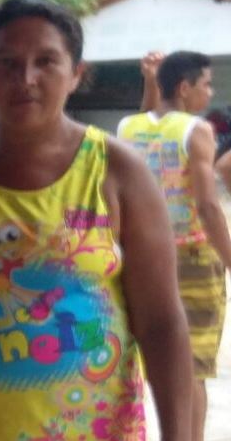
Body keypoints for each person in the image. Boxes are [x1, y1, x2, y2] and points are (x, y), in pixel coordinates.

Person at [0, 0, 194, 439]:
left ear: (76, 73)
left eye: (46, 61)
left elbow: (161, 323)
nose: (26, 79)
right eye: (7, 63)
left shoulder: (118, 171)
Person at [120, 50, 231, 441]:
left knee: (158, 359)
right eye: (206, 84)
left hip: (141, 258)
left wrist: (150, 81)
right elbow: (207, 206)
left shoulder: (128, 127)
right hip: (191, 258)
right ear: (185, 88)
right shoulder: (197, 130)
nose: (210, 93)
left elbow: (151, 121)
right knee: (192, 366)